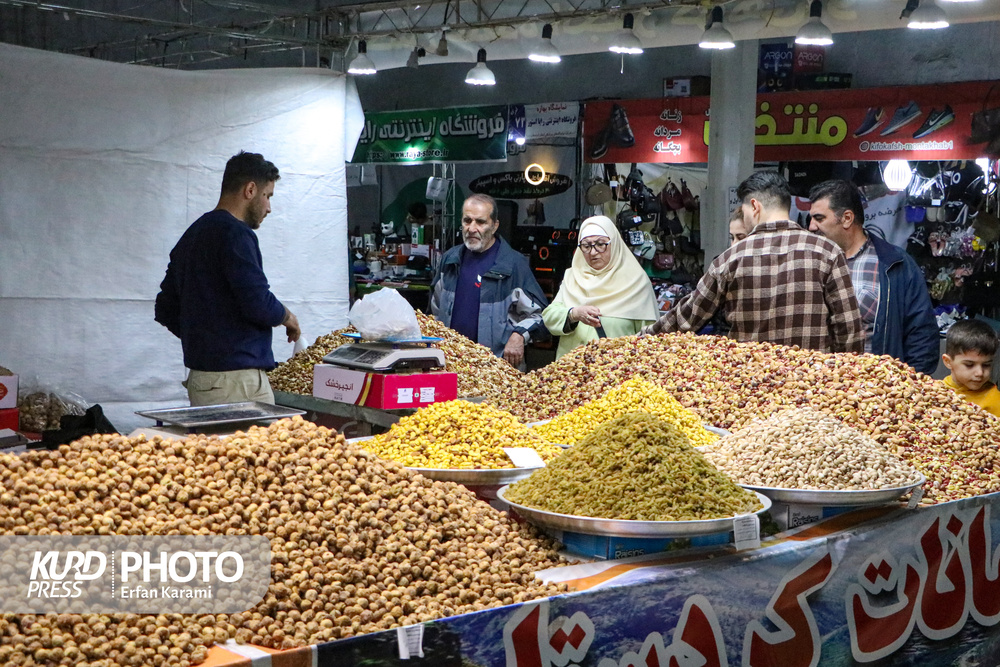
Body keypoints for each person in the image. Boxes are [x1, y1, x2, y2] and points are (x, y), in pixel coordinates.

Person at [643, 171, 864, 354]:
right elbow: (849, 329)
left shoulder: (730, 259)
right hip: (811, 389)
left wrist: (641, 339)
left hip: (751, 391)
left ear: (755, 207)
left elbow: (687, 317)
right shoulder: (828, 253)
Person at [155, 151, 300, 406]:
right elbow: (257, 301)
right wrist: (288, 317)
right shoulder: (236, 234)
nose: (269, 207)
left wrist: (206, 339)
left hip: (201, 381)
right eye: (267, 196)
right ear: (250, 190)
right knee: (256, 448)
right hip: (237, 384)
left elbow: (165, 307)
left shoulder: (193, 234)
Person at [808, 179, 939, 374]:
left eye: (819, 218)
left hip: (878, 392)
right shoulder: (809, 263)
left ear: (846, 218)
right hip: (820, 390)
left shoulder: (895, 264)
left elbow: (922, 335)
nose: (811, 227)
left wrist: (908, 386)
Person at [431, 194, 549, 370]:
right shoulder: (449, 259)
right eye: (467, 220)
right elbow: (434, 314)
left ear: (495, 226)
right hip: (451, 364)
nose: (472, 228)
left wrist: (519, 335)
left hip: (497, 368)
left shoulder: (513, 264)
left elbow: (541, 316)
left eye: (480, 222)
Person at [542, 215, 658, 358]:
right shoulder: (573, 276)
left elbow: (651, 337)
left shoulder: (636, 281)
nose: (593, 252)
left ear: (614, 244)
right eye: (586, 245)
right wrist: (574, 314)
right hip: (571, 372)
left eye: (600, 244)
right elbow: (549, 316)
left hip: (617, 374)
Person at [941, 319, 1000, 418]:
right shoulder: (935, 390)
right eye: (969, 365)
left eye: (986, 365)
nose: (979, 373)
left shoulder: (995, 401)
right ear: (948, 361)